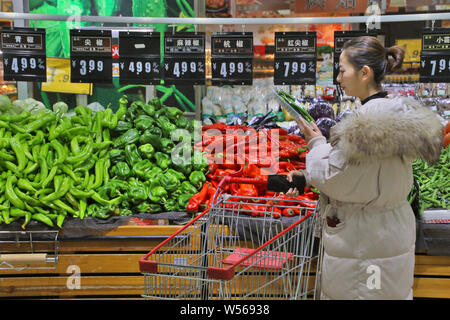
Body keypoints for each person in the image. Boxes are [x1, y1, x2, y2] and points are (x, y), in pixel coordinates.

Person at [286, 36, 443, 300]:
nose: (338, 77)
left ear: (364, 72)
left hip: (365, 242)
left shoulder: (365, 125)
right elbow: (365, 178)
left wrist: (316, 144)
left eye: (342, 69)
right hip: (388, 233)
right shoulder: (395, 115)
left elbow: (336, 178)